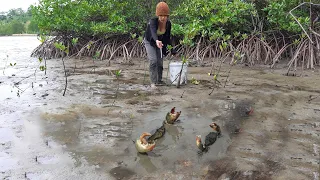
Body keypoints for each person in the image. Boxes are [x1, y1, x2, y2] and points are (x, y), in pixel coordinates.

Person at [143, 1, 175, 88]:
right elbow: (153, 32)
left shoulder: (168, 24)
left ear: (167, 16)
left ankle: (159, 81)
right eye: (161, 15)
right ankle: (153, 82)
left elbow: (168, 37)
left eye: (165, 16)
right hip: (150, 42)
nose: (163, 18)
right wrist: (156, 40)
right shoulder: (153, 21)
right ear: (158, 15)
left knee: (160, 62)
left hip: (160, 42)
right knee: (153, 61)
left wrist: (172, 49)